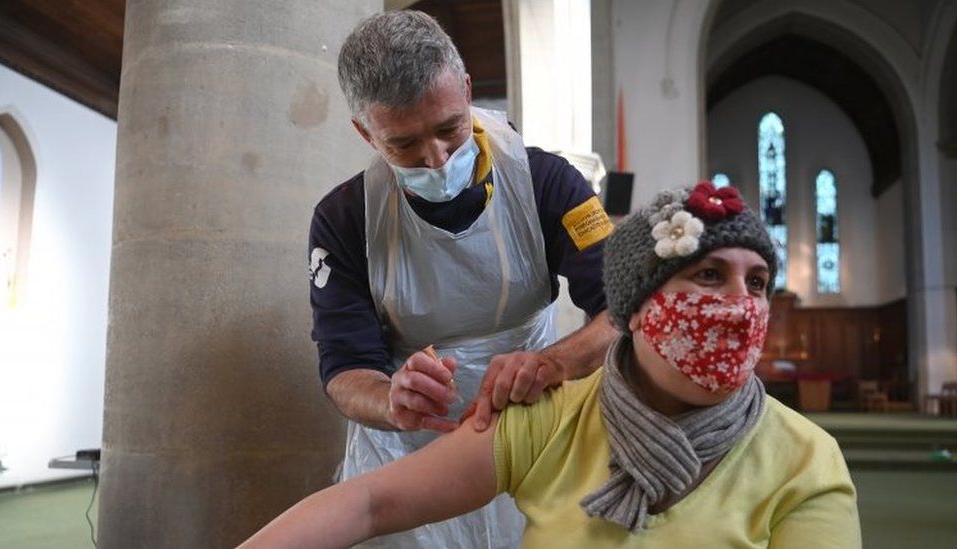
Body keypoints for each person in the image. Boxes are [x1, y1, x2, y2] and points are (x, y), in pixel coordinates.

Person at [241, 182, 861, 548]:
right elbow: (369, 503)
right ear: (637, 307)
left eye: (757, 283)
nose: (740, 305)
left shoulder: (806, 459)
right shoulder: (551, 422)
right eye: (707, 275)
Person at [309, 10, 616, 547]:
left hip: (527, 426)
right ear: (365, 132)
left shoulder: (548, 183)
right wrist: (388, 399)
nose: (436, 157)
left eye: (449, 127)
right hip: (405, 450)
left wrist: (552, 363)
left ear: (468, 90)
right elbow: (344, 369)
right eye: (403, 144)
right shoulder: (343, 219)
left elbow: (623, 310)